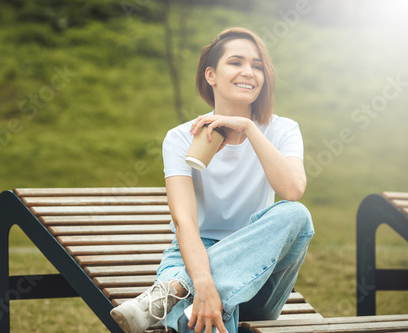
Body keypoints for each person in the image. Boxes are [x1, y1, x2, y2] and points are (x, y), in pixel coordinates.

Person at [110, 27, 314, 333]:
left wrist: (249, 129)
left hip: (262, 271)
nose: (249, 72)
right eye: (236, 62)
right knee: (209, 308)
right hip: (193, 256)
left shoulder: (283, 130)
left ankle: (176, 290)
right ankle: (192, 294)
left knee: (297, 215)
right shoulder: (181, 138)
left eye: (257, 66)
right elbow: (185, 221)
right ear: (211, 75)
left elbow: (292, 189)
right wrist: (203, 284)